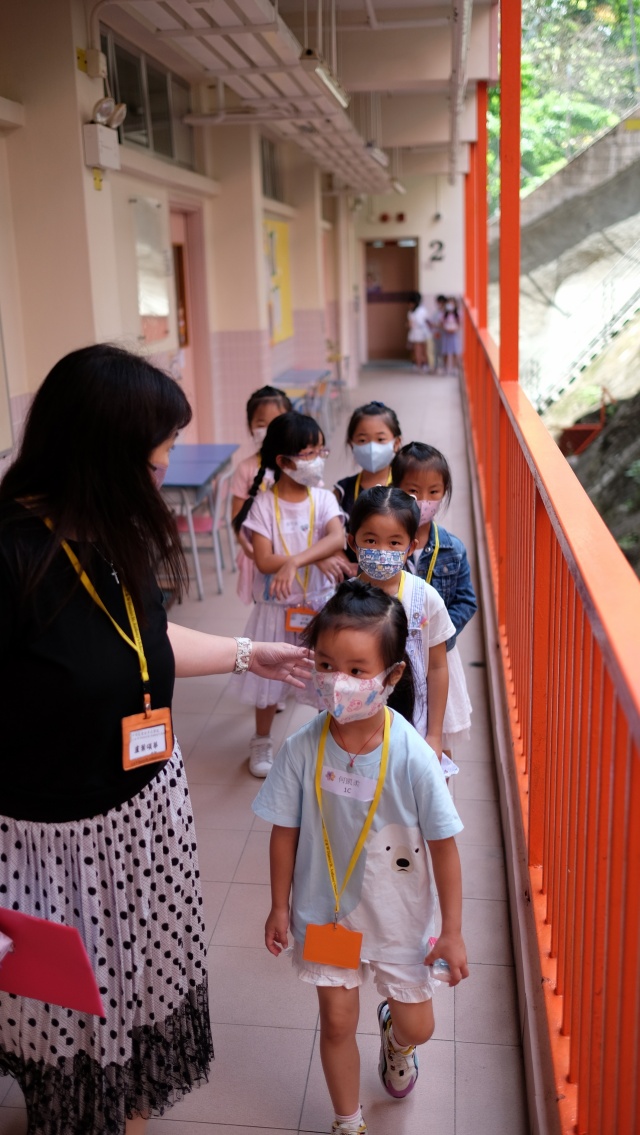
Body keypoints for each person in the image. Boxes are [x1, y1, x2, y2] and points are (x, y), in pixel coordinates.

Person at [0, 344, 313, 1135]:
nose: (168, 465)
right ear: (104, 453)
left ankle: (126, 1097)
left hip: (144, 819)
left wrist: (248, 653)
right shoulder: (10, 557)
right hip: (52, 847)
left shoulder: (111, 530)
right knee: (65, 1013)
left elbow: (143, 639)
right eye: (159, 450)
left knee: (139, 986)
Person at [253, 581, 468, 1135]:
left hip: (399, 918)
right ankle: (347, 1122)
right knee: (336, 1022)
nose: (337, 681)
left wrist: (452, 931)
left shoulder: (413, 757)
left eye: (356, 669)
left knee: (419, 1026)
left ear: (392, 676)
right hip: (327, 915)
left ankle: (396, 1037)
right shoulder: (303, 746)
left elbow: (445, 847)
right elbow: (284, 831)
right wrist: (279, 905)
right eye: (326, 665)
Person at [231, 411, 346, 777]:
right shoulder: (264, 504)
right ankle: (262, 740)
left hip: (319, 606)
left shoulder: (323, 498)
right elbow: (264, 559)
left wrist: (296, 560)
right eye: (309, 453)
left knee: (324, 674)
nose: (317, 460)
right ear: (283, 461)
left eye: (320, 451)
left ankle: (329, 741)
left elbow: (338, 537)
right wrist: (315, 556)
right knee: (269, 676)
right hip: (275, 610)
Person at [347, 486, 457, 766]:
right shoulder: (342, 600)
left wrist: (435, 735)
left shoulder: (426, 599)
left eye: (394, 543)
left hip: (413, 721)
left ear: (411, 547)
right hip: (355, 723)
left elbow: (437, 667)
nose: (382, 551)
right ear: (352, 542)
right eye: (370, 540)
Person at [392, 442, 475, 760]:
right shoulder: (387, 544)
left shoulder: (452, 548)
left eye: (434, 492)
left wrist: (439, 632)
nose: (423, 501)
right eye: (413, 491)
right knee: (397, 731)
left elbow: (466, 600)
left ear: (444, 493)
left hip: (438, 656)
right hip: (395, 653)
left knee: (439, 736)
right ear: (395, 489)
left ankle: (439, 789)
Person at [230, 385, 292, 604]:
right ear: (250, 427)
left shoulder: (298, 467)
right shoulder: (245, 469)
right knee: (265, 605)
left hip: (294, 552)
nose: (268, 430)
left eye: (276, 422)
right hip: (257, 557)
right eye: (261, 424)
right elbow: (237, 518)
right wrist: (252, 552)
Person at [333, 401, 403, 564]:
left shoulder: (405, 487)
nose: (372, 447)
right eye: (363, 440)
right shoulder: (341, 491)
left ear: (396, 443)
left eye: (380, 439)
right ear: (352, 444)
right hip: (354, 576)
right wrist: (346, 565)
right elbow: (328, 536)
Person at [406, 292, 434, 372]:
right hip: (417, 332)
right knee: (418, 350)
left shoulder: (420, 310)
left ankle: (423, 364)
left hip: (422, 332)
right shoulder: (412, 312)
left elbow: (427, 321)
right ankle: (419, 364)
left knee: (422, 349)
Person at [441, 298, 461, 374]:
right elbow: (442, 324)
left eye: (452, 303)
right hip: (446, 335)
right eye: (449, 303)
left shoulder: (457, 314)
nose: (450, 305)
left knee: (454, 351)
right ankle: (445, 367)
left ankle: (454, 368)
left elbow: (459, 324)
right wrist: (445, 328)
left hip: (454, 335)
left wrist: (454, 329)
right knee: (445, 351)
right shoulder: (444, 314)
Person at [432, 294, 447, 374]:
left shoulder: (446, 313)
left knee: (443, 351)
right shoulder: (436, 312)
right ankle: (436, 366)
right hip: (436, 333)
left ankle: (444, 367)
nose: (438, 304)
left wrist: (438, 325)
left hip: (444, 334)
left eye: (440, 302)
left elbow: (444, 324)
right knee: (436, 351)